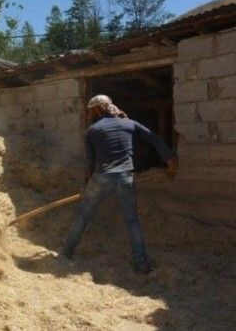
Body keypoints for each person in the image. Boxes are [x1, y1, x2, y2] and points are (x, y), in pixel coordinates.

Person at [60, 94, 178, 274]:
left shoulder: (92, 131)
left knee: (83, 216)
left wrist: (87, 187)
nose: (89, 113)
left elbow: (90, 164)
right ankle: (141, 264)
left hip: (100, 178)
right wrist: (169, 160)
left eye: (91, 110)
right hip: (125, 177)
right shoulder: (128, 123)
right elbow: (154, 138)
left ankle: (66, 253)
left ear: (98, 109)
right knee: (132, 221)